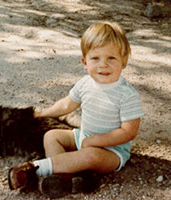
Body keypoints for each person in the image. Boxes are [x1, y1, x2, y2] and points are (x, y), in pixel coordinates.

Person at [7, 21, 144, 198]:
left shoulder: (127, 95)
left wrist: (96, 141)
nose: (103, 65)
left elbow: (128, 132)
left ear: (124, 62)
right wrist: (41, 114)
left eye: (111, 58)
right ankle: (67, 179)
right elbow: (66, 104)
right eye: (96, 58)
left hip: (111, 152)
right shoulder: (85, 84)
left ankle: (35, 170)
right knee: (52, 136)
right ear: (84, 62)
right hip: (83, 137)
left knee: (91, 156)